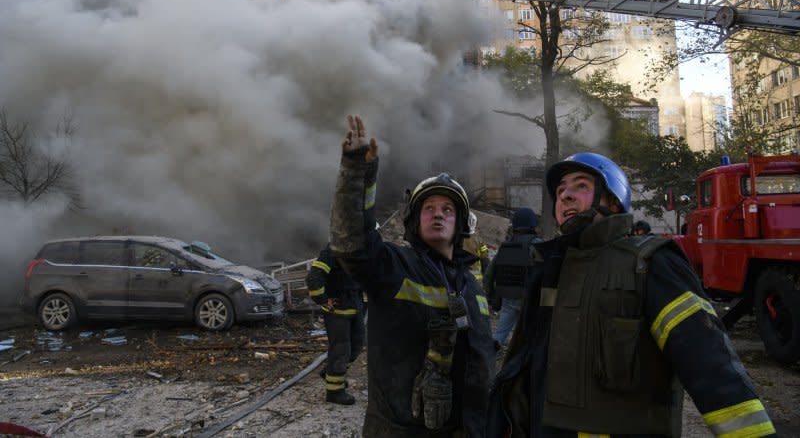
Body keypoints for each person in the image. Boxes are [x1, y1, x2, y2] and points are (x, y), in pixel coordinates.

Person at [486, 152, 776, 437]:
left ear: (613, 200)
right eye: (560, 190)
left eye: (581, 186)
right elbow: (528, 365)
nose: (565, 196)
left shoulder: (650, 264)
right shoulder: (551, 269)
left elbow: (711, 365)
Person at [329, 115, 493, 437]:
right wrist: (355, 171)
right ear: (413, 221)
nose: (438, 214)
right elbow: (352, 242)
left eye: (448, 209)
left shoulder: (470, 285)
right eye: (428, 208)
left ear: (461, 224)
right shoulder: (393, 266)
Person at [305, 246, 366, 405]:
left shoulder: (362, 252)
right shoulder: (332, 251)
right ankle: (334, 392)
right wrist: (323, 300)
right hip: (337, 311)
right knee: (341, 349)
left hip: (356, 308)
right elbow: (314, 278)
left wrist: (365, 304)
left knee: (357, 345)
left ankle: (330, 372)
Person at [483, 208, 542, 350]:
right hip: (529, 299)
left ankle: (489, 360)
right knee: (532, 336)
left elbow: (488, 275)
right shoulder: (537, 243)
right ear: (533, 224)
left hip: (508, 299)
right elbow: (545, 273)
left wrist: (491, 297)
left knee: (500, 335)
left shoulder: (505, 246)